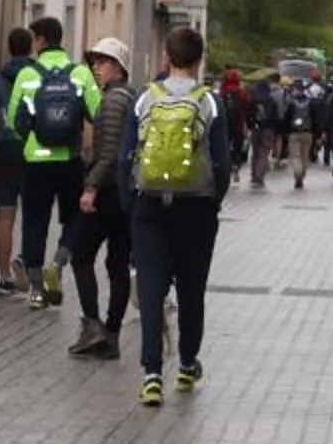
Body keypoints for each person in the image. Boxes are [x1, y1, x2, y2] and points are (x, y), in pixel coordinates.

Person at [124, 24, 232, 406]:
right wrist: (212, 202)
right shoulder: (210, 102)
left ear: (167, 58)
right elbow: (222, 164)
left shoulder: (145, 99)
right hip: (196, 211)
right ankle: (187, 364)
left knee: (152, 290)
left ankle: (152, 373)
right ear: (200, 59)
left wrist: (132, 206)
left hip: (149, 206)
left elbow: (127, 158)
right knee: (191, 289)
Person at [6, 16, 101, 309]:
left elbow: (12, 120)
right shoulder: (81, 74)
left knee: (34, 221)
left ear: (41, 41)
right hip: (69, 158)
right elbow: (97, 112)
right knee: (75, 216)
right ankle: (58, 263)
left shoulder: (27, 74)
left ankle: (35, 289)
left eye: (34, 38)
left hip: (36, 160)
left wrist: (32, 140)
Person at [65, 37, 138, 359]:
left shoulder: (111, 101)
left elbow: (107, 152)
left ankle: (93, 325)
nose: (96, 68)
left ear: (118, 67)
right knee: (117, 263)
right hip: (127, 192)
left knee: (81, 255)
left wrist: (90, 186)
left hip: (106, 191)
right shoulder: (134, 97)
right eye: (94, 62)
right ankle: (112, 331)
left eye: (103, 62)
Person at [0, 27, 35, 296]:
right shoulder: (37, 78)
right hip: (31, 151)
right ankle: (27, 267)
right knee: (32, 214)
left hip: (3, 150)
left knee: (5, 214)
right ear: (31, 48)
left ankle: (4, 277)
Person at [217, 69, 253, 191]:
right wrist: (248, 123)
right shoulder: (242, 93)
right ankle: (235, 167)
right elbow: (247, 109)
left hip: (223, 126)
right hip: (239, 126)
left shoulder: (222, 92)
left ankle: (225, 170)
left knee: (224, 148)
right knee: (237, 149)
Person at [245, 72, 282, 191]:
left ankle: (253, 175)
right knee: (264, 153)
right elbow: (275, 117)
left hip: (256, 129)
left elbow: (248, 114)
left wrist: (250, 126)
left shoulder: (253, 100)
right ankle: (260, 176)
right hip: (268, 130)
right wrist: (275, 130)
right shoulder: (271, 100)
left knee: (255, 153)